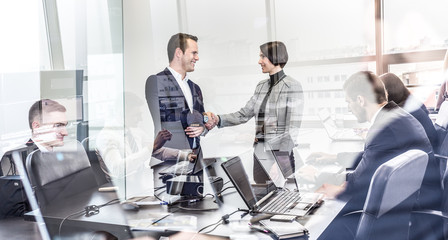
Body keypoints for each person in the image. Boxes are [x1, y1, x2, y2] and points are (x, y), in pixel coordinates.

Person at [316, 71, 442, 240]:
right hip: (410, 204)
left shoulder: (383, 128)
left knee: (321, 222)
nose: (348, 108)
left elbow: (357, 183)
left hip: (401, 215)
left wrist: (319, 177)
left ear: (361, 100)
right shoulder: (397, 115)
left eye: (349, 102)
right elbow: (371, 158)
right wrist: (336, 162)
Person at [145, 33, 208, 151]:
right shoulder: (156, 82)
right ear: (179, 53)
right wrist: (198, 117)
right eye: (194, 53)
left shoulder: (195, 87)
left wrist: (203, 127)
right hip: (170, 159)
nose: (197, 58)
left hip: (196, 156)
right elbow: (167, 120)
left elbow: (203, 118)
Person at [379, 72, 438, 150]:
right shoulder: (412, 103)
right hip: (427, 152)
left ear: (387, 92)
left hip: (423, 155)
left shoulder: (403, 113)